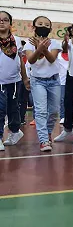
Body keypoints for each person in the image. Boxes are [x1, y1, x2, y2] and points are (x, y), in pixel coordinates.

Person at [24, 16, 62, 151]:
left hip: (54, 81)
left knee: (54, 111)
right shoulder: (29, 44)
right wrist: (38, 48)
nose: (43, 26)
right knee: (40, 111)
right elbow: (32, 60)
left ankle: (48, 133)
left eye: (46, 25)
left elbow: (51, 59)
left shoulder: (55, 43)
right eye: (40, 24)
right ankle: (44, 140)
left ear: (50, 29)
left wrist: (42, 48)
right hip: (38, 81)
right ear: (34, 27)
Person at [0, 11, 29, 151]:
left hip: (14, 81)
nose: (2, 22)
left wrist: (25, 78)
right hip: (0, 81)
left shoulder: (17, 40)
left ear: (10, 23)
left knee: (13, 108)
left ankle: (15, 132)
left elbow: (21, 61)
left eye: (5, 20)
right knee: (0, 109)